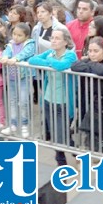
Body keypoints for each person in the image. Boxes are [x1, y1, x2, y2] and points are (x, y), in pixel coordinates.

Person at [28, 28, 77, 166]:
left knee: (62, 136)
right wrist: (49, 62)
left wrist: (48, 63)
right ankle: (62, 162)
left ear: (65, 42)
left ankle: (76, 156)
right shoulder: (50, 53)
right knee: (57, 136)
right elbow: (33, 59)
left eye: (57, 38)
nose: (53, 41)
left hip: (64, 102)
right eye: (52, 38)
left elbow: (62, 65)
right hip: (49, 99)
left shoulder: (70, 55)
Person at [71, 36, 103, 155]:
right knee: (90, 136)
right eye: (90, 51)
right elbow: (75, 66)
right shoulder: (88, 60)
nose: (92, 54)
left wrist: (90, 64)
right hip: (88, 104)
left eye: (95, 51)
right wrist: (92, 64)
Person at [0, 23, 36, 138]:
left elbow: (26, 53)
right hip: (11, 78)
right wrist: (5, 57)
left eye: (19, 35)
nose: (16, 37)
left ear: (26, 36)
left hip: (23, 78)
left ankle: (24, 125)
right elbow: (6, 52)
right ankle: (13, 124)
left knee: (24, 101)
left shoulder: (30, 44)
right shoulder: (10, 44)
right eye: (14, 34)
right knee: (12, 101)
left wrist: (16, 58)